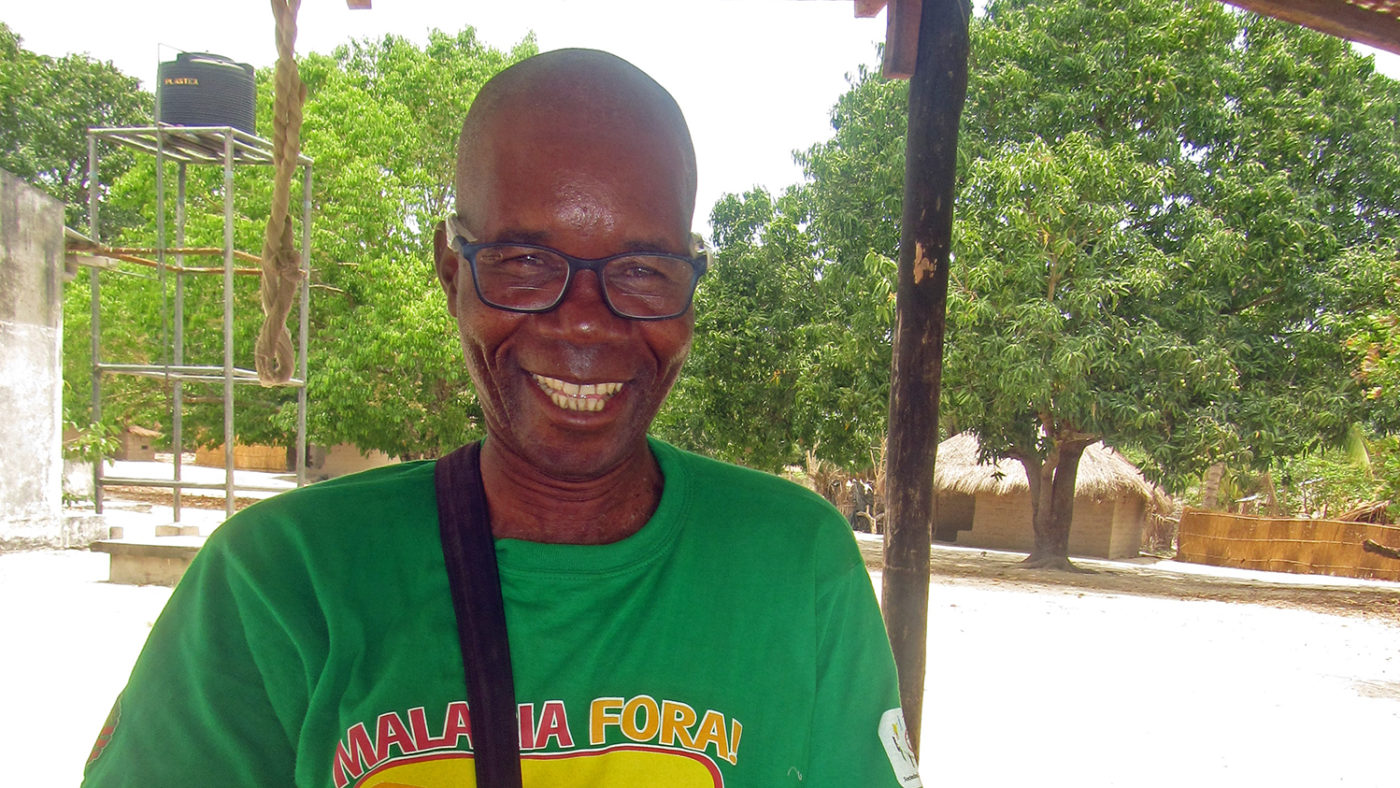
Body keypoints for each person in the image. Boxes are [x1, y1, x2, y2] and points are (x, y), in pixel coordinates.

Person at [82, 49, 920, 788]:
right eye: (525, 262)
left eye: (641, 268)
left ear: (690, 286)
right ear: (453, 272)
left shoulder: (795, 566)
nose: (585, 320)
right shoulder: (280, 582)